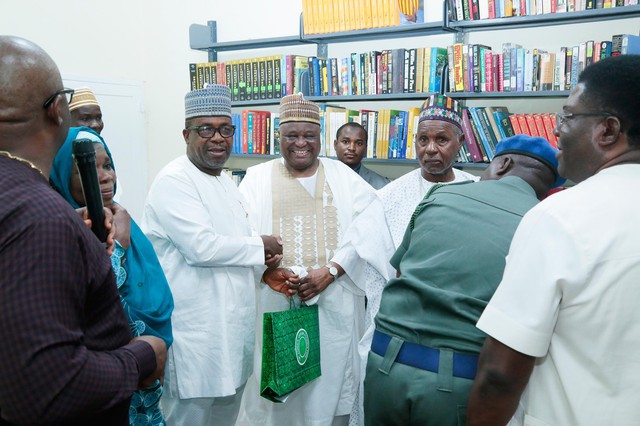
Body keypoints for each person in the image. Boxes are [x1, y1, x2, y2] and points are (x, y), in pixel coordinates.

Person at [0, 36, 165, 425]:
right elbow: (46, 388)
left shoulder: (33, 210)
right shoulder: (40, 217)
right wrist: (142, 356)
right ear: (59, 110)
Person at [466, 55, 640, 426]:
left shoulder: (560, 217)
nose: (558, 132)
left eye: (568, 117)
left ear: (607, 131)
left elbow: (500, 375)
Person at [363, 134, 563, 426]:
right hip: (457, 378)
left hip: (383, 362)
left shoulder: (441, 195)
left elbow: (401, 271)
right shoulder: (543, 222)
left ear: (503, 163)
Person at [141, 84, 283, 426]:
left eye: (225, 129)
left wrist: (264, 268)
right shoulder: (174, 180)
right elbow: (201, 247)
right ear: (187, 134)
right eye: (206, 129)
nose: (217, 138)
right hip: (196, 338)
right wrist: (260, 247)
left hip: (231, 337)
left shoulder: (224, 182)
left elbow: (235, 247)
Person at [236, 93, 377, 426]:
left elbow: (370, 230)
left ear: (320, 139)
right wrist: (265, 270)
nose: (300, 143)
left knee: (330, 393)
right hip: (275, 306)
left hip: (335, 308)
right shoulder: (255, 179)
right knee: (278, 398)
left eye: (308, 136)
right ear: (279, 138)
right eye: (291, 136)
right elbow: (239, 234)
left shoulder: (343, 177)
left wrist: (331, 270)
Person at [345, 94, 479, 425]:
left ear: (460, 143)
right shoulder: (387, 198)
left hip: (457, 335)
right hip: (397, 335)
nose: (431, 149)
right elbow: (378, 272)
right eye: (423, 139)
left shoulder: (479, 192)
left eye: (442, 139)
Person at [49, 126, 175, 426]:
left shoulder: (121, 217)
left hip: (145, 374)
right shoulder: (61, 226)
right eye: (87, 170)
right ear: (63, 174)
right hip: (102, 379)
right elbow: (96, 297)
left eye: (108, 165)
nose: (105, 176)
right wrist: (117, 246)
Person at [334, 122, 389, 189]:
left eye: (359, 143)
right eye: (345, 142)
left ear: (365, 148)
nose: (352, 148)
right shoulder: (322, 177)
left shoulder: (383, 185)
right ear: (335, 145)